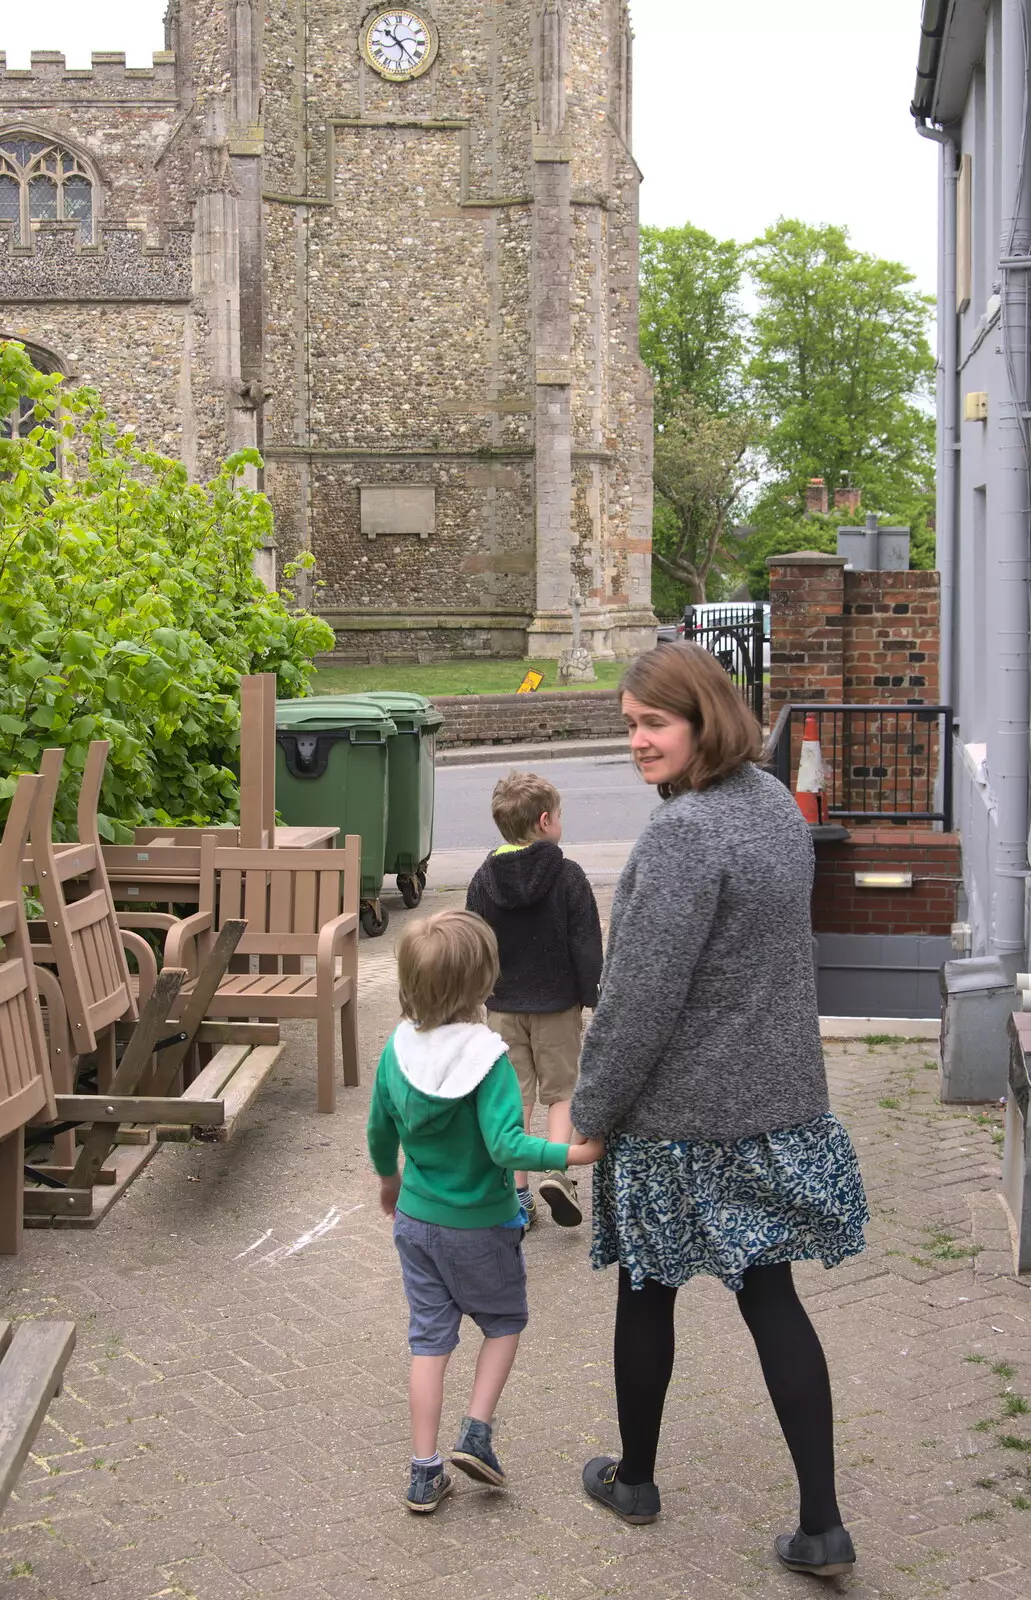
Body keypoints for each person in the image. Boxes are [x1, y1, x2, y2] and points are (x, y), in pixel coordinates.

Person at [570, 643, 868, 1580]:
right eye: (627, 725)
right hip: (774, 1104)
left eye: (652, 723)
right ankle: (821, 1524)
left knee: (645, 1290)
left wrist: (588, 1114)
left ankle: (637, 1481)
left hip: (677, 1119)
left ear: (703, 718)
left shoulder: (685, 833)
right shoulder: (775, 805)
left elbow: (636, 998)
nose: (637, 742)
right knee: (772, 1298)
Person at [367, 908, 603, 1515]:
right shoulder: (487, 1058)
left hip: (416, 1223)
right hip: (481, 1224)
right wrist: (573, 1152)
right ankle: (476, 1432)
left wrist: (390, 1183)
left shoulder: (397, 1049)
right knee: (503, 1323)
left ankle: (423, 1474)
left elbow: (377, 1130)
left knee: (428, 1341)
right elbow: (505, 1145)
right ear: (482, 983)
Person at [466, 771, 602, 1229]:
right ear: (545, 821)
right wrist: (591, 994)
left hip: (503, 1008)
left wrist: (477, 996)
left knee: (514, 1100)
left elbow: (473, 942)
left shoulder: (485, 879)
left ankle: (516, 1196)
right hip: (559, 1006)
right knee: (562, 1093)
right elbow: (585, 943)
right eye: (559, 815)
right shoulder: (568, 875)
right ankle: (558, 1173)